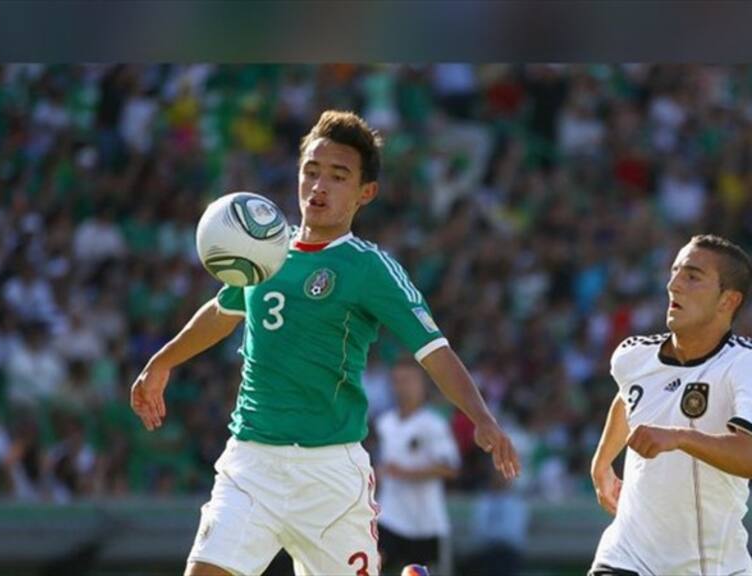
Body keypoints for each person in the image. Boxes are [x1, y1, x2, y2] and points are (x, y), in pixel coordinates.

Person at [130, 110, 520, 576]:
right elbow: (222, 312)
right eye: (311, 172)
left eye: (338, 176)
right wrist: (162, 362)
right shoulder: (263, 252)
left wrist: (482, 417)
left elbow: (433, 350)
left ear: (365, 193)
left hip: (331, 476)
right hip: (252, 461)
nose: (319, 186)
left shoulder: (370, 268)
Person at [589, 234, 752, 576]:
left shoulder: (743, 365)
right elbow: (628, 398)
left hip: (712, 567)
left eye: (692, 276)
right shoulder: (633, 356)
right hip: (626, 557)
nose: (673, 284)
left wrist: (680, 437)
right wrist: (603, 461)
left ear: (728, 301)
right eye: (675, 271)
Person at [375, 356, 460, 573]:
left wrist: (406, 473)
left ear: (422, 384)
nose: (402, 387)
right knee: (372, 565)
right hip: (390, 518)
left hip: (425, 524)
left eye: (408, 380)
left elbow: (450, 469)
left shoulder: (433, 425)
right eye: (397, 380)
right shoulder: (384, 423)